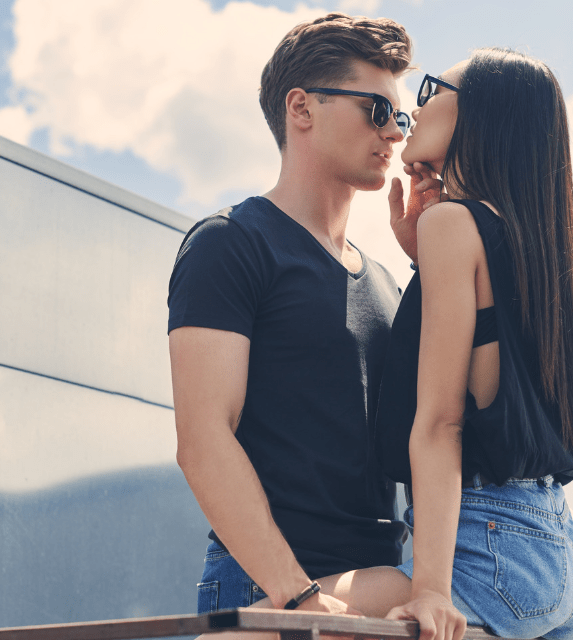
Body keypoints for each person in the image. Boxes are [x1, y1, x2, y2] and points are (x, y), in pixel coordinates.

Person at [218, 48, 573, 640]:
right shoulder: (536, 242)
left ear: (483, 114)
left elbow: (441, 424)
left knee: (249, 631)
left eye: (429, 92)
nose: (409, 117)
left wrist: (429, 590)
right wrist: (427, 268)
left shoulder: (452, 224)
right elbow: (501, 374)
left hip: (483, 555)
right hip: (564, 566)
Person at [167, 13, 414, 618]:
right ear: (301, 108)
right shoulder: (231, 244)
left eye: (402, 118)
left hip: (377, 596)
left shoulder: (388, 281)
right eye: (377, 111)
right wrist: (297, 595)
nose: (396, 134)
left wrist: (430, 269)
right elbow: (203, 440)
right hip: (276, 590)